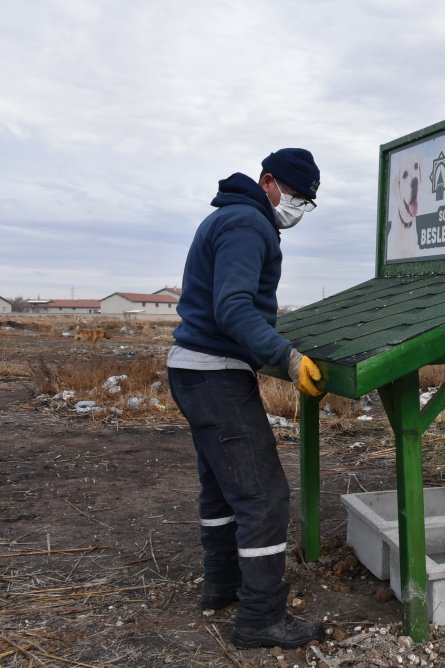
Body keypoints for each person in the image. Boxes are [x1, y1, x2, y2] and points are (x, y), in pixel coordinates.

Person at [167, 148, 327, 649]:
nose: (298, 207)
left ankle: (221, 584)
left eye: (308, 201)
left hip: (193, 368)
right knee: (263, 496)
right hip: (214, 374)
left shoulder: (234, 218)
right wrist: (287, 358)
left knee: (221, 485)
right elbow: (233, 306)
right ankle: (260, 618)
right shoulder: (247, 224)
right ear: (268, 181)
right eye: (296, 194)